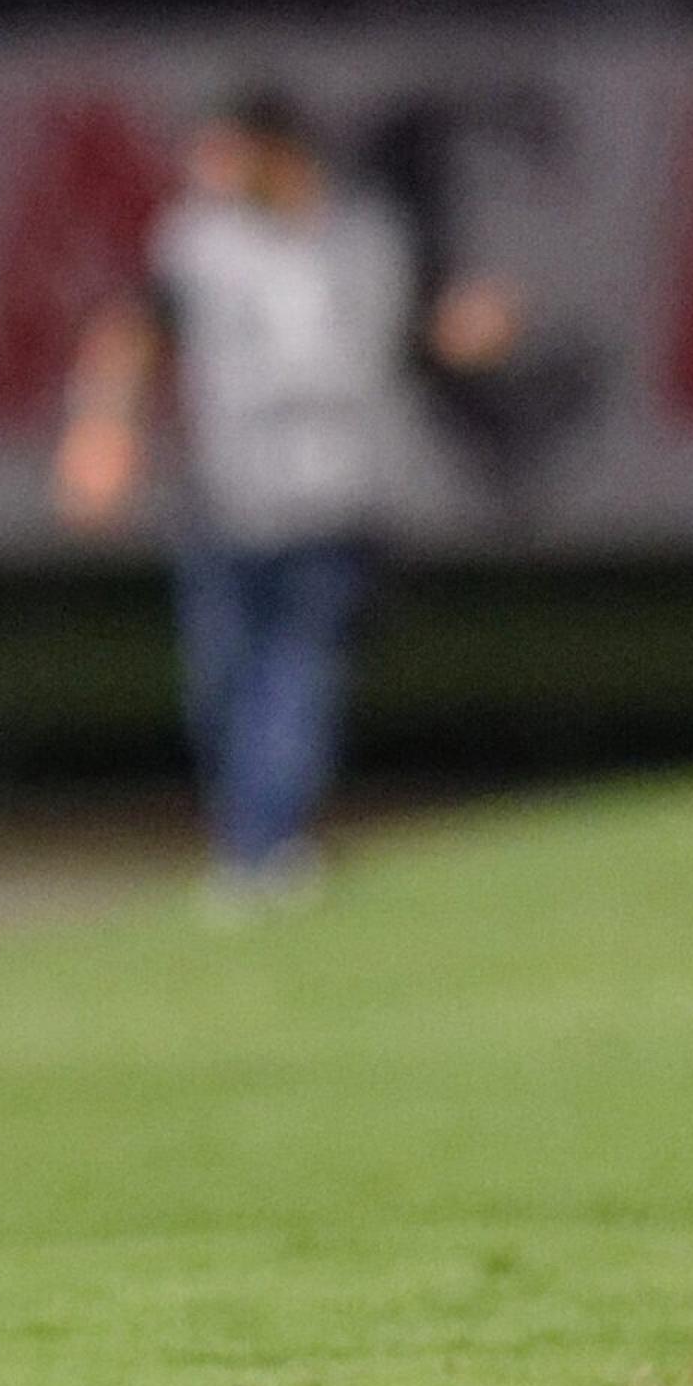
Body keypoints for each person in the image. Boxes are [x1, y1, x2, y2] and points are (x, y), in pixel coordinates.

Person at [54, 91, 515, 906]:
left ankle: (268, 846)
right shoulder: (198, 244)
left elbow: (426, 328)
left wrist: (468, 332)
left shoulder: (371, 236)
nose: (214, 170)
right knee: (222, 681)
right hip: (230, 491)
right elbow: (131, 333)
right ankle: (251, 837)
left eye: (230, 150)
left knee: (299, 671)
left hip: (339, 492)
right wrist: (102, 433)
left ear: (280, 151)